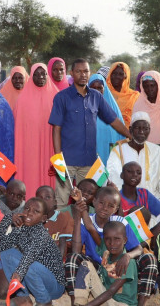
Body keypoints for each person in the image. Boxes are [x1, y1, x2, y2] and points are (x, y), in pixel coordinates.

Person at [50, 58, 131, 208]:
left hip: (88, 162)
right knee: (61, 201)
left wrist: (130, 135)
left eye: (86, 71)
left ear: (90, 73)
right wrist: (58, 160)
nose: (83, 75)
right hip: (67, 160)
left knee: (84, 203)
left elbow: (113, 120)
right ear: (72, 73)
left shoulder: (96, 96)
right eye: (79, 71)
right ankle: (60, 231)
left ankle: (80, 230)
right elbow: (56, 129)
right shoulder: (62, 98)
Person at [64, 187, 158, 305]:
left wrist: (127, 256)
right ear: (94, 202)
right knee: (72, 259)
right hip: (97, 268)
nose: (104, 208)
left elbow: (138, 248)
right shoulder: (87, 221)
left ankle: (141, 302)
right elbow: (76, 251)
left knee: (149, 259)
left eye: (110, 206)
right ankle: (74, 302)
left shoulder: (120, 223)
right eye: (101, 203)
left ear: (116, 209)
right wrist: (78, 219)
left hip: (120, 266)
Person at [0, 197, 66, 305]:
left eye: (36, 211)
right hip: (34, 277)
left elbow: (28, 257)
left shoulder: (42, 234)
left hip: (54, 286)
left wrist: (18, 274)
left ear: (43, 218)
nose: (29, 213)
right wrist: (8, 218)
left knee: (28, 265)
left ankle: (44, 301)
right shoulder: (20, 229)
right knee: (6, 253)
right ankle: (23, 297)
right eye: (26, 209)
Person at [14, 63, 59, 197]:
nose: (41, 77)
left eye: (43, 73)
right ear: (31, 76)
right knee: (30, 174)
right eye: (36, 74)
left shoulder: (56, 96)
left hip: (50, 146)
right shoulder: (22, 99)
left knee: (49, 176)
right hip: (29, 149)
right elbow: (19, 129)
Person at [72, 221, 139, 306]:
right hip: (106, 299)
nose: (112, 243)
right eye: (107, 239)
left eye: (117, 239)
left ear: (125, 240)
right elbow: (90, 227)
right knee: (86, 265)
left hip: (122, 304)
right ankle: (79, 303)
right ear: (104, 240)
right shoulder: (106, 253)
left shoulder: (128, 263)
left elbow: (111, 292)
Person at [107, 112, 160, 200]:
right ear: (130, 129)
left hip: (152, 198)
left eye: (145, 128)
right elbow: (113, 177)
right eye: (137, 128)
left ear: (149, 130)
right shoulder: (118, 150)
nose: (141, 132)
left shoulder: (157, 151)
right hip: (126, 199)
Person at [133, 71, 160, 162]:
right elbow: (135, 132)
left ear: (159, 85)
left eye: (152, 85)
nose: (149, 89)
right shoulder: (138, 105)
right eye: (146, 86)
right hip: (145, 154)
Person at [88, 73, 125, 164]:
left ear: (104, 88)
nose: (97, 91)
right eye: (93, 88)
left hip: (111, 153)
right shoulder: (83, 108)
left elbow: (121, 134)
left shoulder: (113, 108)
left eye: (100, 88)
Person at [118, 162, 160, 232]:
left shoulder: (144, 194)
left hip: (144, 238)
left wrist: (154, 231)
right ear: (122, 175)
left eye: (138, 173)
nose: (135, 175)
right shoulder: (117, 198)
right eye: (129, 171)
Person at [38, 185, 74, 259]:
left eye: (47, 197)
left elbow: (69, 247)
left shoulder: (64, 218)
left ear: (55, 202)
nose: (43, 201)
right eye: (40, 198)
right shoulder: (33, 220)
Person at [106, 62, 139, 128]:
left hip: (128, 134)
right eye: (114, 73)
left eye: (121, 74)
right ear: (110, 75)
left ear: (125, 76)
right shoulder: (104, 94)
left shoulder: (134, 96)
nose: (117, 77)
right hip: (108, 133)